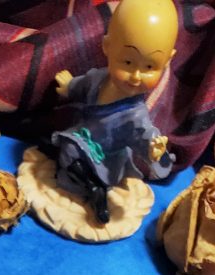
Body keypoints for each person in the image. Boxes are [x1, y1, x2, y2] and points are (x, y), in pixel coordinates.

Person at [48, 0, 178, 224]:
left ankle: (95, 190)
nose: (136, 76)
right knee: (68, 150)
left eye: (149, 67)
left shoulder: (137, 116)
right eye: (127, 62)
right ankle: (89, 185)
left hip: (105, 157)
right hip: (82, 134)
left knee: (70, 150)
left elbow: (147, 137)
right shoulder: (99, 79)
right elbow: (83, 84)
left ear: (167, 61)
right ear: (107, 46)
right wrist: (69, 86)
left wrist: (155, 152)